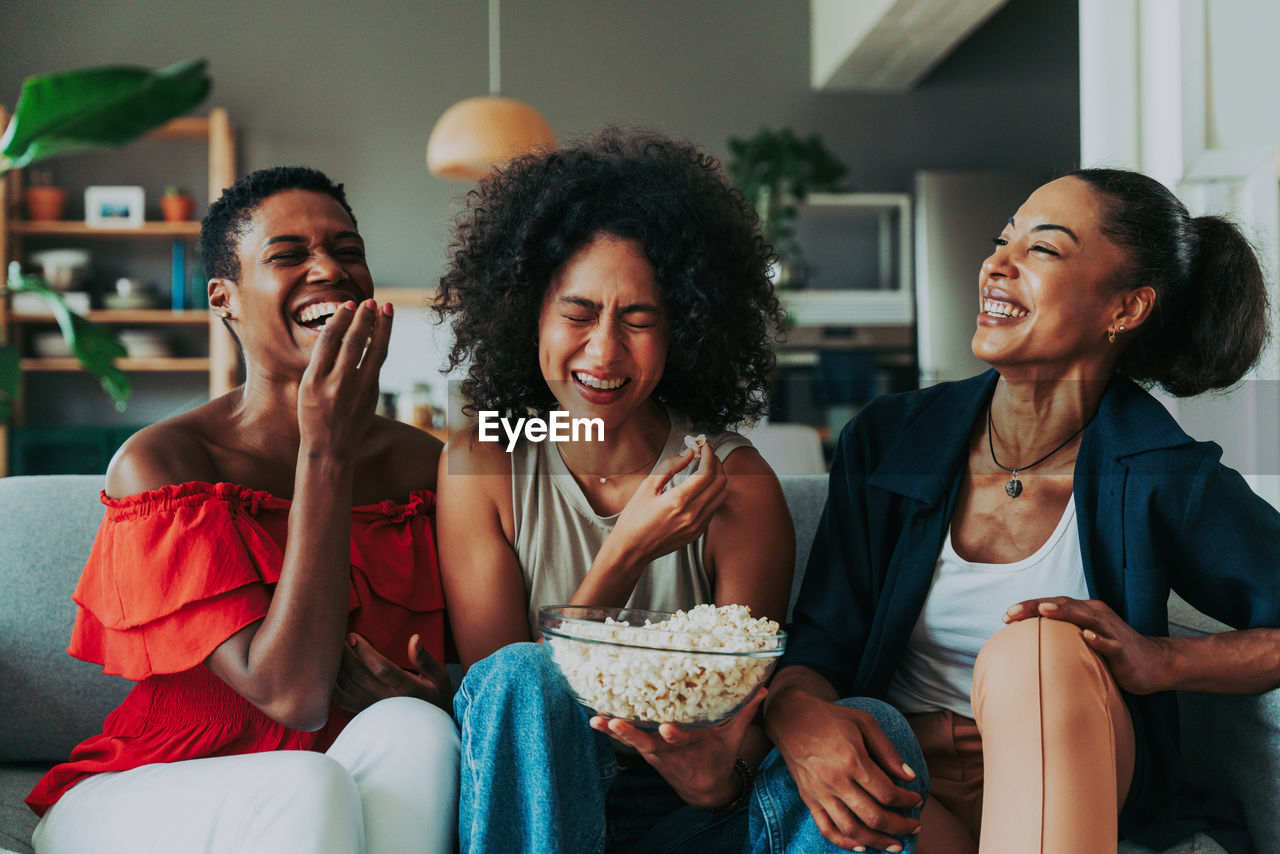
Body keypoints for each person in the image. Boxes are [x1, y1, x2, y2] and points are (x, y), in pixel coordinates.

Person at [757, 168, 1280, 854]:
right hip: (910, 781)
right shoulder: (890, 438)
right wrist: (796, 715)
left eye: (1044, 249)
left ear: (1124, 309)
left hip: (1083, 778)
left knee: (1037, 648)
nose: (996, 264)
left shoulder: (1160, 469)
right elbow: (822, 640)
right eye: (1003, 240)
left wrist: (1164, 660)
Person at [25, 166, 460, 854]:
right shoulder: (166, 463)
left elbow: (483, 665)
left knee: (423, 733)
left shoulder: (428, 467)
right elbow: (291, 695)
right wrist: (326, 453)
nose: (330, 269)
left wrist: (441, 696)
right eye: (288, 255)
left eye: (348, 252)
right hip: (156, 786)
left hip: (343, 796)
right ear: (224, 298)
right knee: (305, 785)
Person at [434, 129, 812, 854]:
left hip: (689, 805)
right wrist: (630, 549)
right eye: (578, 314)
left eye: (639, 320)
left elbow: (738, 713)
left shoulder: (734, 482)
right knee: (522, 675)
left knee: (876, 728)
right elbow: (510, 706)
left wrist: (717, 776)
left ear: (685, 332)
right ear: (528, 314)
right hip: (541, 798)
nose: (604, 352)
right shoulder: (483, 465)